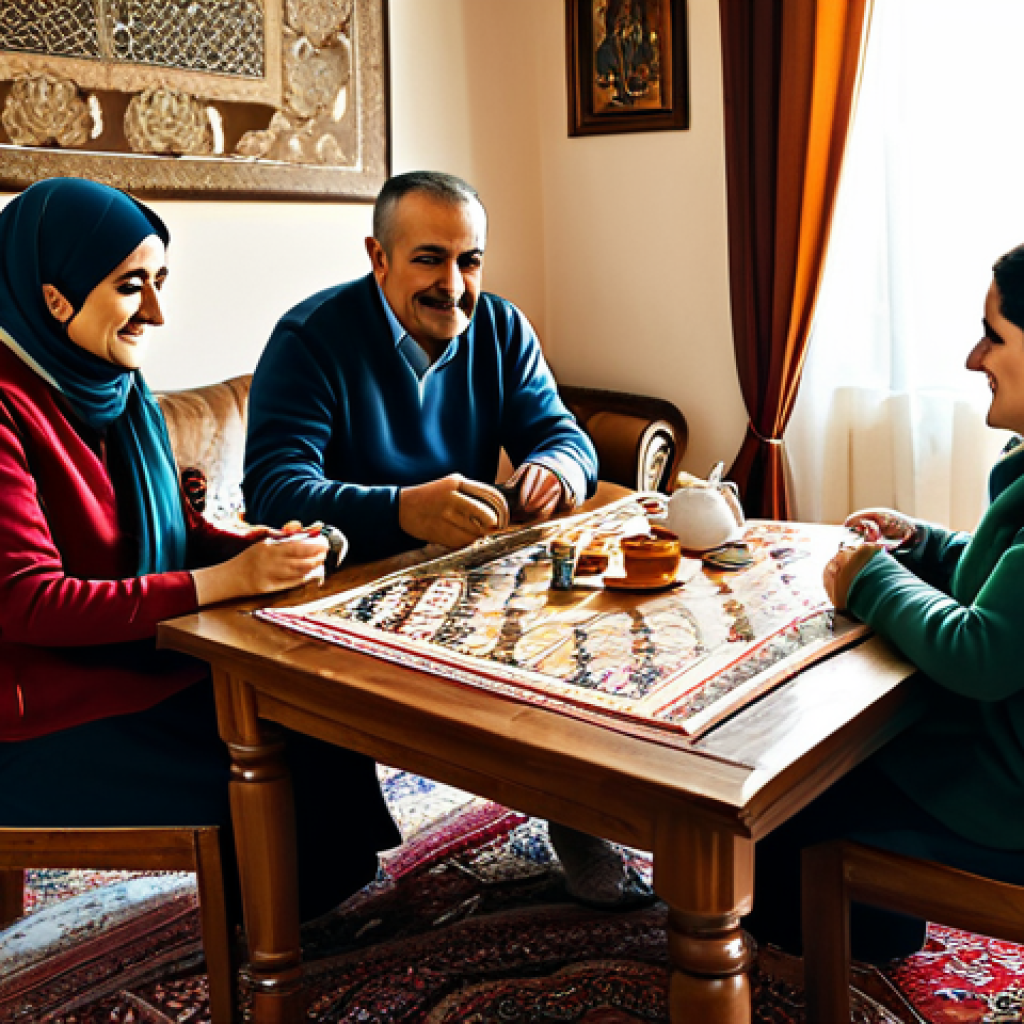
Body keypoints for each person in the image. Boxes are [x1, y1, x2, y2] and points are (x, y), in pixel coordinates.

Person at [0, 177, 399, 927]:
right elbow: (29, 601)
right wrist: (223, 580)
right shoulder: (5, 410)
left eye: (160, 282)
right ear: (54, 298)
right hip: (36, 715)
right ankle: (281, 932)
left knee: (309, 697)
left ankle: (323, 898)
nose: (156, 311)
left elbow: (169, 535)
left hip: (126, 662)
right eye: (130, 287)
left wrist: (257, 545)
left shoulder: (112, 387)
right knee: (262, 751)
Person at [243, 169, 649, 908]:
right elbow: (274, 491)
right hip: (345, 586)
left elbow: (564, 436)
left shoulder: (500, 326)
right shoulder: (310, 339)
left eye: (470, 261)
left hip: (466, 568)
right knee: (325, 884)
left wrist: (556, 469)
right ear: (379, 257)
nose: (454, 285)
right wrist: (400, 509)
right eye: (430, 258)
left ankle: (580, 817)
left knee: (578, 617)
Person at [745, 243, 1024, 963]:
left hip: (1003, 806)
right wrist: (924, 543)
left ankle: (817, 949)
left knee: (782, 799)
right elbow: (1007, 585)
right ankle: (872, 926)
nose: (973, 358)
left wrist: (871, 577)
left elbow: (981, 652)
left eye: (994, 336)